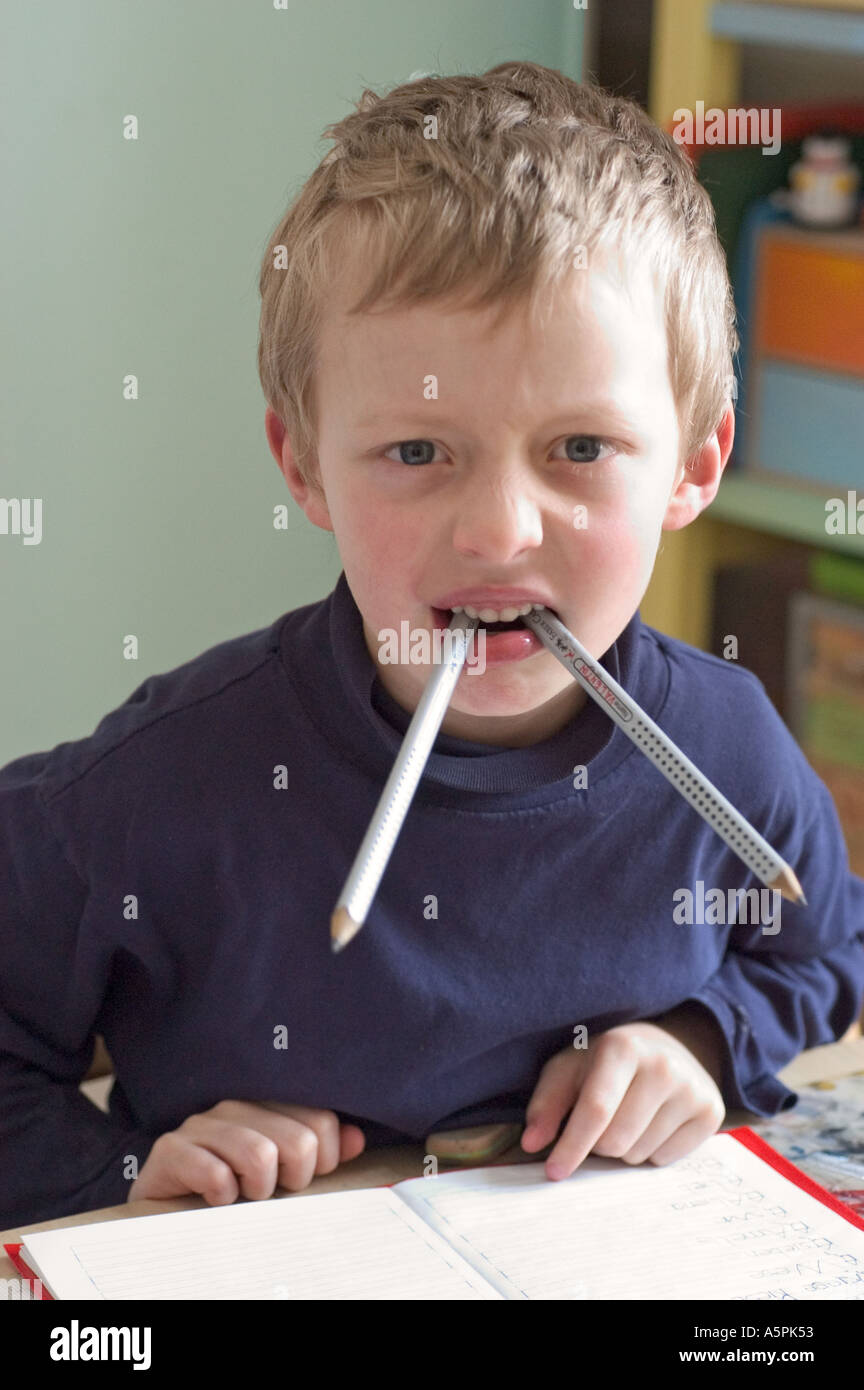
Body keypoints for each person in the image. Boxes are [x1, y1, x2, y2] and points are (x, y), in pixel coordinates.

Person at [2, 62, 862, 1228]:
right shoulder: (164, 785)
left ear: (695, 466)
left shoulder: (726, 751)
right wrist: (123, 1171)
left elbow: (823, 950)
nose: (500, 530)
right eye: (418, 452)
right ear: (303, 464)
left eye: (580, 448)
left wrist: (706, 1042)